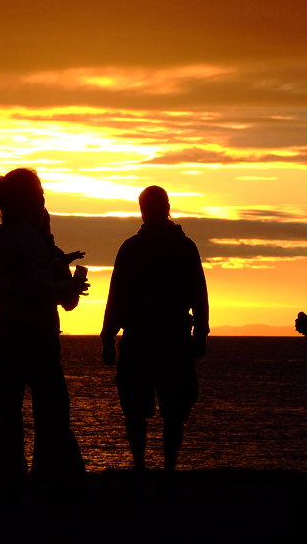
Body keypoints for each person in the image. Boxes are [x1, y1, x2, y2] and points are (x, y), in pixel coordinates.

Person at [0, 168, 88, 500]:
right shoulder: (26, 237)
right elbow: (34, 287)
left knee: (7, 410)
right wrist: (65, 287)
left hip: (5, 336)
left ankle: (4, 478)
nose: (43, 198)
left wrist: (62, 286)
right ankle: (52, 479)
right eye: (39, 193)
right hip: (33, 339)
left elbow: (3, 285)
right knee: (52, 408)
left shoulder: (6, 235)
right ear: (28, 199)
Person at [100, 186, 209, 482]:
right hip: (161, 338)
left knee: (159, 410)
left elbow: (117, 297)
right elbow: (117, 296)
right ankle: (157, 470)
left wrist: (108, 337)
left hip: (156, 338)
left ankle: (150, 470)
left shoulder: (141, 248)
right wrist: (108, 336)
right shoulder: (175, 247)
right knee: (152, 409)